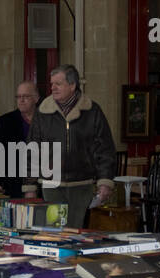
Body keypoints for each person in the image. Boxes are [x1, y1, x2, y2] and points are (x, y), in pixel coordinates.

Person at [28, 64, 117, 227]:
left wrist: (104, 182)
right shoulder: (43, 111)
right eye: (51, 84)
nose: (53, 88)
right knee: (55, 231)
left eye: (58, 84)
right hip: (51, 184)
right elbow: (32, 149)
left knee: (74, 231)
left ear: (72, 85)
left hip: (81, 184)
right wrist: (29, 185)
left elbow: (104, 148)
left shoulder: (92, 111)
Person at [0, 81, 40, 197]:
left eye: (26, 96)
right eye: (18, 96)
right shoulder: (6, 121)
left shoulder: (47, 120)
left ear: (36, 98)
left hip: (41, 184)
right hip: (13, 183)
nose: (21, 100)